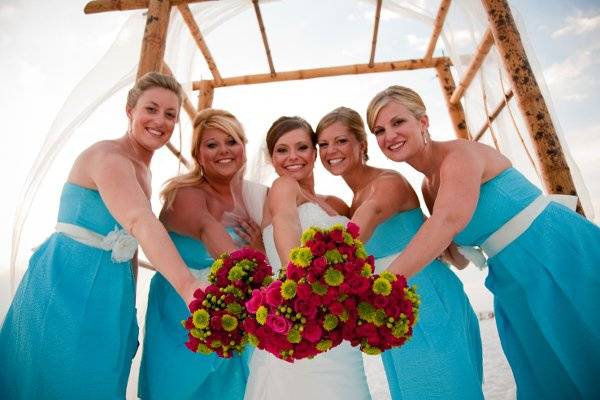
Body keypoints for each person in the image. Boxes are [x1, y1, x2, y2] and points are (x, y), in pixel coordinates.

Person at [366, 85, 600, 399]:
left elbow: (448, 221)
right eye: (379, 130)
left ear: (423, 122)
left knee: (587, 347)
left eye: (398, 122)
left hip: (553, 251)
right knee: (546, 374)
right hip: (510, 276)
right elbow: (457, 256)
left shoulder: (459, 154)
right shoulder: (428, 187)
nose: (389, 135)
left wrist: (383, 284)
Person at [0, 72, 204, 399]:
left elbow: (130, 244)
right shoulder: (109, 157)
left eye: (170, 115)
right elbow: (139, 220)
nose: (159, 121)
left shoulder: (145, 170)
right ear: (130, 110)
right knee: (55, 376)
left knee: (102, 381)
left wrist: (129, 314)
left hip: (111, 295)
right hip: (66, 284)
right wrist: (189, 287)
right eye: (150, 109)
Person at [316, 106, 483, 400]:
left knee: (444, 388)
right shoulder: (352, 198)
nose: (331, 151)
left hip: (425, 296)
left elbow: (358, 230)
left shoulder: (387, 183)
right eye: (324, 144)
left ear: (362, 144)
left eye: (341, 141)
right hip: (391, 304)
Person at [139, 108, 265, 399]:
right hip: (183, 314)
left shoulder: (254, 198)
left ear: (244, 147)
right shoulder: (185, 194)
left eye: (231, 141)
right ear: (198, 154)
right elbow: (215, 239)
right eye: (212, 144)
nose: (224, 150)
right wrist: (258, 260)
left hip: (236, 314)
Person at [244, 116, 371, 400]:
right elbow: (287, 222)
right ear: (271, 157)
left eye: (301, 147)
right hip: (298, 318)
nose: (292, 157)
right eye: (282, 150)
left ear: (314, 153)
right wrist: (300, 291)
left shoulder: (335, 204)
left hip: (339, 329)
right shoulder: (283, 187)